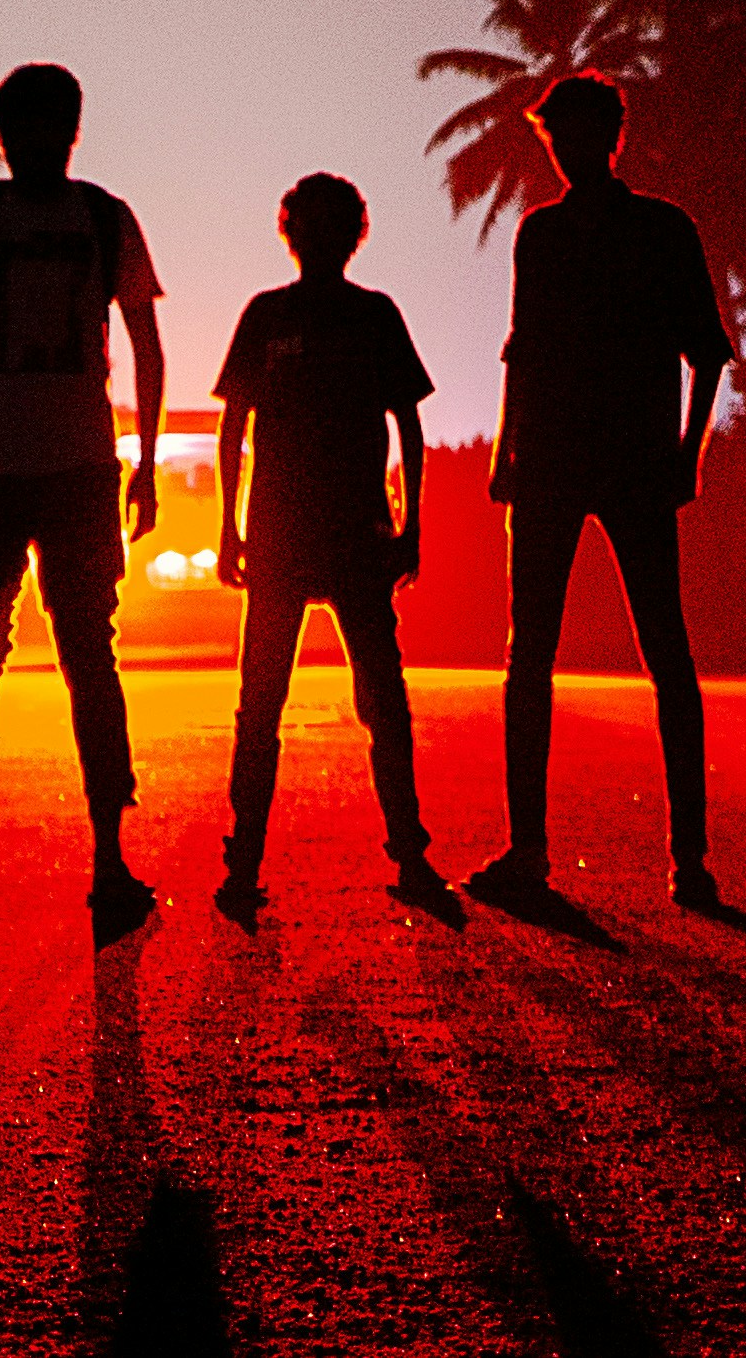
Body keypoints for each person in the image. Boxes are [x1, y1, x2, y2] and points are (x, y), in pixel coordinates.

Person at [0, 58, 165, 944]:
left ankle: (108, 857)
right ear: (7, 133)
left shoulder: (103, 218)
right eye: (23, 127)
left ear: (69, 129)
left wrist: (147, 459)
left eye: (47, 126)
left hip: (75, 468)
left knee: (83, 653)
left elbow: (147, 345)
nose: (34, 141)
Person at [466, 71, 732, 918]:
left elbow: (708, 351)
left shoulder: (661, 228)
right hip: (549, 460)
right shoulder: (537, 235)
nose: (567, 151)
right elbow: (523, 349)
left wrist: (687, 455)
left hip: (631, 460)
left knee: (665, 654)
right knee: (528, 657)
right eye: (556, 138)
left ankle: (688, 859)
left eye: (580, 136)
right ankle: (528, 849)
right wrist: (507, 451)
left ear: (609, 137)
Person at [210, 172, 460, 928]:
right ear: (293, 233)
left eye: (332, 226)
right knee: (264, 702)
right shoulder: (266, 314)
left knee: (378, 697)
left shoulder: (373, 315)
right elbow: (233, 427)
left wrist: (411, 521)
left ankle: (407, 849)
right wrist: (228, 524)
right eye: (308, 225)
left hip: (354, 529)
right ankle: (246, 857)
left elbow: (407, 425)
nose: (318, 239)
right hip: (284, 530)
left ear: (350, 235)